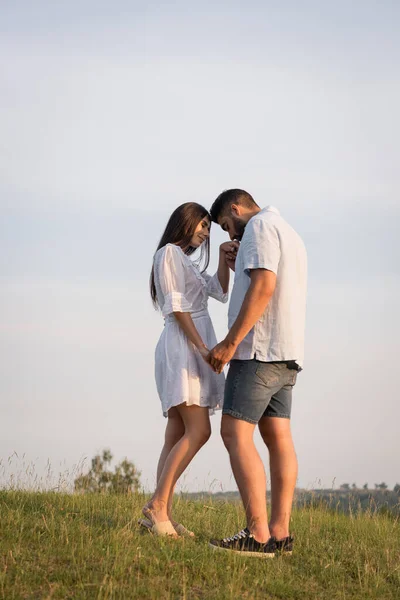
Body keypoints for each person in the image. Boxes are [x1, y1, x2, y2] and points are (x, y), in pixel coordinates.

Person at [207, 189, 307, 558]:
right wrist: (240, 270)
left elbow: (265, 286)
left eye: (226, 225)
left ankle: (258, 534)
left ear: (236, 209)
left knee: (234, 432)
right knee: (278, 436)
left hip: (258, 352)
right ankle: (280, 533)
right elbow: (268, 283)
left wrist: (230, 344)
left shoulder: (258, 229)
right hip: (287, 351)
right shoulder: (288, 232)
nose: (230, 235)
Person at [140, 202, 238, 538]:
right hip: (184, 346)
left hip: (192, 345)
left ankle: (160, 511)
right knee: (199, 431)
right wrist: (201, 348)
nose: (206, 232)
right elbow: (176, 306)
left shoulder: (188, 263)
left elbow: (221, 292)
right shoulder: (168, 253)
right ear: (186, 221)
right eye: (203, 224)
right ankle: (156, 506)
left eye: (210, 228)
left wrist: (226, 258)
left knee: (176, 432)